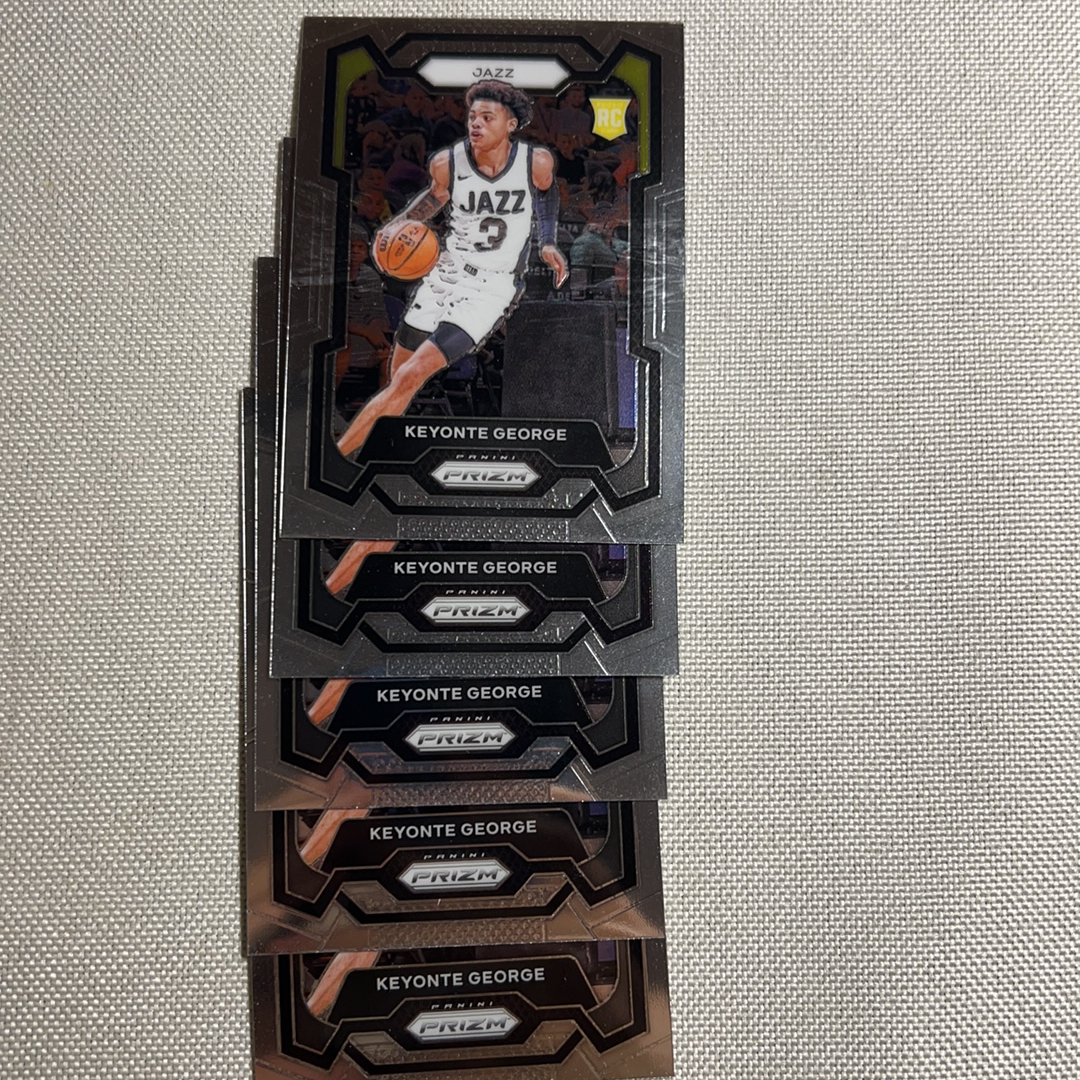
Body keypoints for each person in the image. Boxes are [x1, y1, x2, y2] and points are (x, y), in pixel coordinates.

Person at [337, 79, 568, 457]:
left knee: (410, 376)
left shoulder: (535, 162)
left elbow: (546, 191)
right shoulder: (447, 163)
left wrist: (547, 241)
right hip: (444, 276)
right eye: (473, 116)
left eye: (487, 117)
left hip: (490, 289)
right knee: (398, 380)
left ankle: (341, 456)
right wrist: (400, 224)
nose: (476, 123)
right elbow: (435, 197)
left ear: (510, 124)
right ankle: (377, 456)